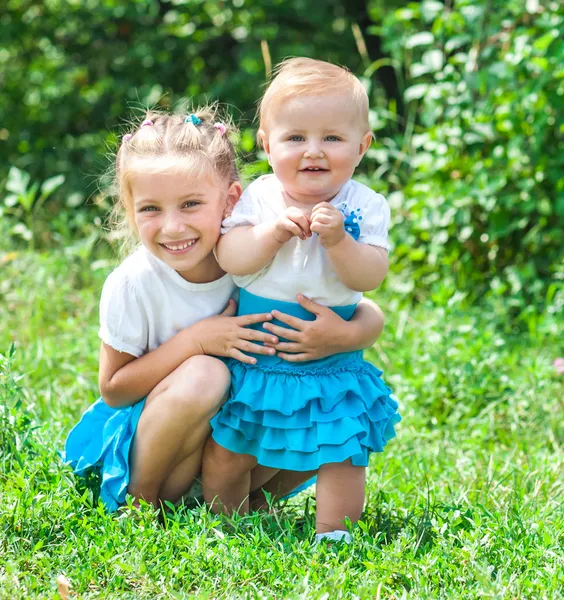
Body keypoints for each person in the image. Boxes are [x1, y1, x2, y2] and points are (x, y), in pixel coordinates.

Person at [64, 106, 386, 513]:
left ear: (232, 199)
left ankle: (239, 504)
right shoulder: (134, 283)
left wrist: (350, 334)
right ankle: (140, 505)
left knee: (322, 403)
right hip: (159, 450)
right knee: (206, 374)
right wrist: (197, 342)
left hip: (231, 450)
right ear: (128, 208)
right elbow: (113, 389)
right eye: (150, 209)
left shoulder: (255, 254)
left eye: (191, 204)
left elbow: (359, 306)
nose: (173, 227)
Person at [203, 58, 401, 543]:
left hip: (332, 356)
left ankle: (335, 534)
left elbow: (370, 275)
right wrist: (268, 235)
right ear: (267, 145)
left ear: (362, 146)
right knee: (232, 444)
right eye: (295, 138)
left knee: (343, 448)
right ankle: (226, 524)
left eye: (332, 138)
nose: (313, 151)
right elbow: (231, 257)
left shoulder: (365, 204)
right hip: (258, 348)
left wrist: (340, 244)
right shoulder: (260, 198)